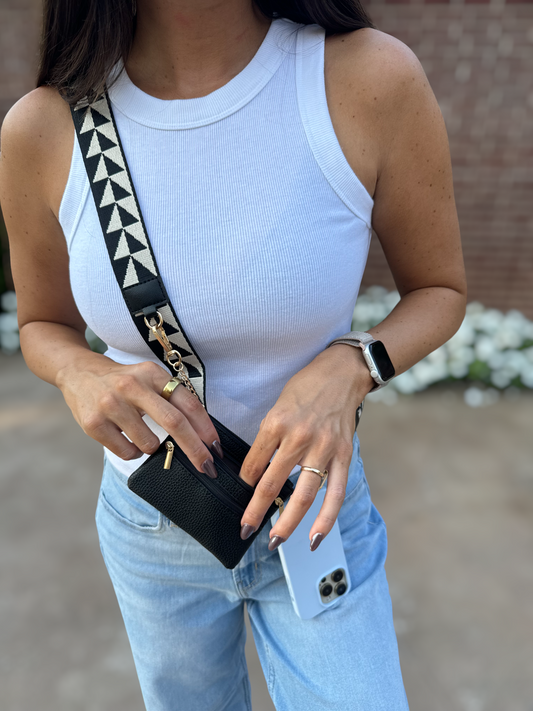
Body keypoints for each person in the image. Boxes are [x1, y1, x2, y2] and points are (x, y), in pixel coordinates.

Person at [0, 0, 466, 709]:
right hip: (155, 517)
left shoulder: (364, 78)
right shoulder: (45, 125)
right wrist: (78, 369)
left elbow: (438, 289)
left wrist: (351, 364)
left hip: (311, 509)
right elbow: (42, 323)